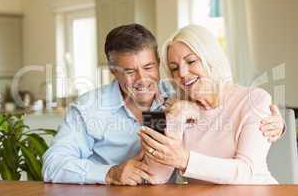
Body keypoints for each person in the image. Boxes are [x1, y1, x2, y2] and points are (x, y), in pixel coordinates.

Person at [42, 24, 284, 185]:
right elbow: (155, 174)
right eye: (129, 71)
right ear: (114, 72)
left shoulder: (171, 97)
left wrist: (277, 125)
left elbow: (249, 164)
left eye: (148, 68)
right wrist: (110, 173)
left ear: (157, 64)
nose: (142, 79)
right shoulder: (174, 104)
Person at [139, 25, 282, 184]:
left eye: (191, 61)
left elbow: (246, 172)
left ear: (211, 59)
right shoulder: (171, 104)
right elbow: (156, 176)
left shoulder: (255, 99)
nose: (182, 73)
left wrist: (184, 160)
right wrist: (176, 118)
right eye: (174, 68)